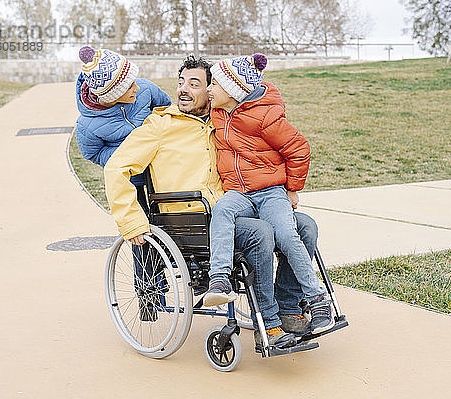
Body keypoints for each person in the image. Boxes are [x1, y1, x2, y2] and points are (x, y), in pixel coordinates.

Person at [104, 55, 318, 350]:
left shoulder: (223, 122)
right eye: (181, 82)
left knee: (305, 225)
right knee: (259, 233)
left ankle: (288, 308)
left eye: (195, 84)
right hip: (187, 220)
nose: (183, 90)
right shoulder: (161, 125)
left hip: (231, 209)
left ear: (213, 91)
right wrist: (131, 221)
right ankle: (268, 325)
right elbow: (116, 168)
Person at [202, 53, 334, 335]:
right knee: (223, 209)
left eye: (214, 84)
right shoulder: (218, 112)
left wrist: (293, 189)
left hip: (270, 192)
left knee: (287, 235)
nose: (209, 89)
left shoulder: (265, 117)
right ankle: (220, 279)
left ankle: (316, 299)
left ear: (234, 90)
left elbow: (299, 148)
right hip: (239, 193)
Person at [75, 45, 172, 321]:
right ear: (113, 97)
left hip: (164, 173)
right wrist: (125, 158)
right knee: (141, 236)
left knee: (172, 227)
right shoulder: (88, 125)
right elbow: (92, 153)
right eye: (128, 87)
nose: (135, 88)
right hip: (132, 181)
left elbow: (167, 109)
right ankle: (148, 297)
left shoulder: (144, 89)